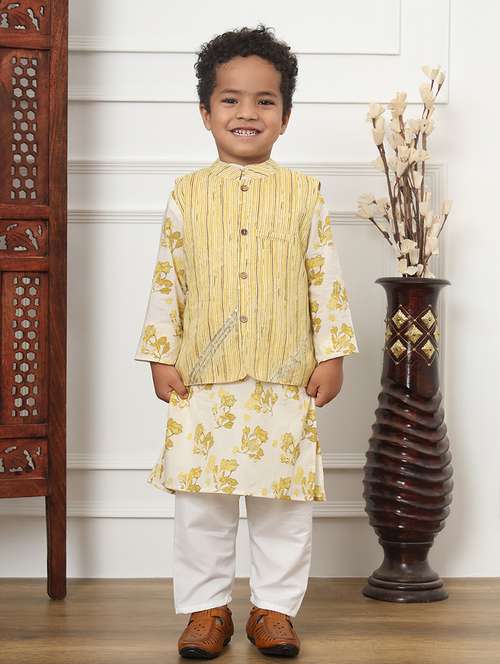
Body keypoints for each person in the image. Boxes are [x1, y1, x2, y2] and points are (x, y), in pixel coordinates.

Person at [134, 24, 359, 659]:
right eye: (230, 99)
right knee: (201, 505)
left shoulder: (304, 194)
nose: (247, 113)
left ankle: (273, 610)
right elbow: (169, 276)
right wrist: (160, 353)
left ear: (285, 117)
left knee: (281, 504)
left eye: (265, 101)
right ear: (205, 112)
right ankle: (206, 610)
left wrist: (332, 353)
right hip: (203, 379)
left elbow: (324, 277)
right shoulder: (187, 193)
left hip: (283, 378)